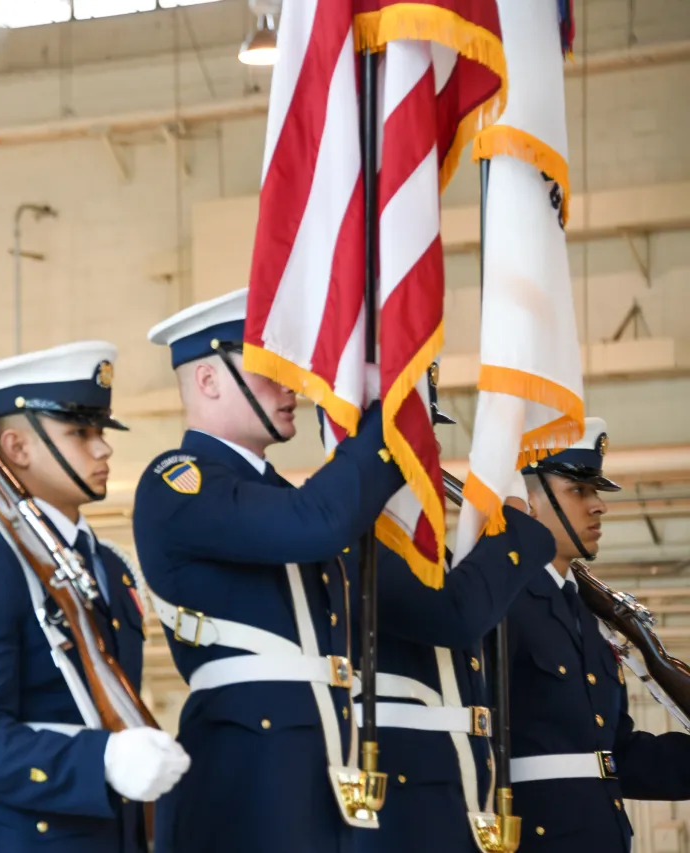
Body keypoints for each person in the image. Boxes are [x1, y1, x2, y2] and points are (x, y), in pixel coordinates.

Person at [131, 289, 409, 853]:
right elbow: (316, 523)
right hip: (249, 772)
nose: (294, 388)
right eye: (270, 371)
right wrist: (391, 413)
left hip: (326, 759)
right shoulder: (177, 480)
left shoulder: (279, 495)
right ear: (208, 381)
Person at [0, 341, 190, 853]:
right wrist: (102, 760)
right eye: (80, 432)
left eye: (101, 432)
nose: (103, 448)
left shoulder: (111, 567)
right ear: (17, 448)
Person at [352, 368, 557, 853]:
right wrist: (512, 525)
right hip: (398, 813)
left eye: (431, 434)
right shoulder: (356, 542)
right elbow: (454, 616)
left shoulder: (435, 555)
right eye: (416, 435)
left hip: (461, 797)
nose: (432, 452)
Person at [502, 417, 690, 851]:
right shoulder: (501, 604)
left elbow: (616, 754)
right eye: (578, 491)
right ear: (528, 501)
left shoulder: (585, 617)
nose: (598, 506)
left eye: (595, 492)